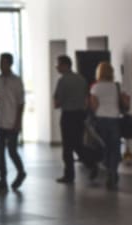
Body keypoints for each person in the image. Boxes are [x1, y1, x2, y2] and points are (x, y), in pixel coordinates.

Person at [53, 55, 96, 183]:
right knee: (78, 144)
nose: (57, 67)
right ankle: (91, 163)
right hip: (80, 115)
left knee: (67, 147)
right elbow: (86, 98)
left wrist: (58, 101)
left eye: (58, 65)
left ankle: (69, 175)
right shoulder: (81, 79)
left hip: (68, 116)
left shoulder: (63, 80)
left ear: (65, 65)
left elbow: (57, 103)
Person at [89, 62, 129, 190]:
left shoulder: (95, 87)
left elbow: (94, 106)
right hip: (114, 120)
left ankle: (107, 168)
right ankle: (113, 172)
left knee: (103, 147)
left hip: (100, 120)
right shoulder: (117, 86)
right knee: (115, 148)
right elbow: (126, 102)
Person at [0, 53, 26, 193]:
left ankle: (21, 171)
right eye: (0, 62)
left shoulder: (17, 81)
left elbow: (21, 103)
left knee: (11, 150)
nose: (1, 65)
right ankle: (2, 180)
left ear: (10, 64)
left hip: (12, 121)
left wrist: (18, 122)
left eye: (4, 62)